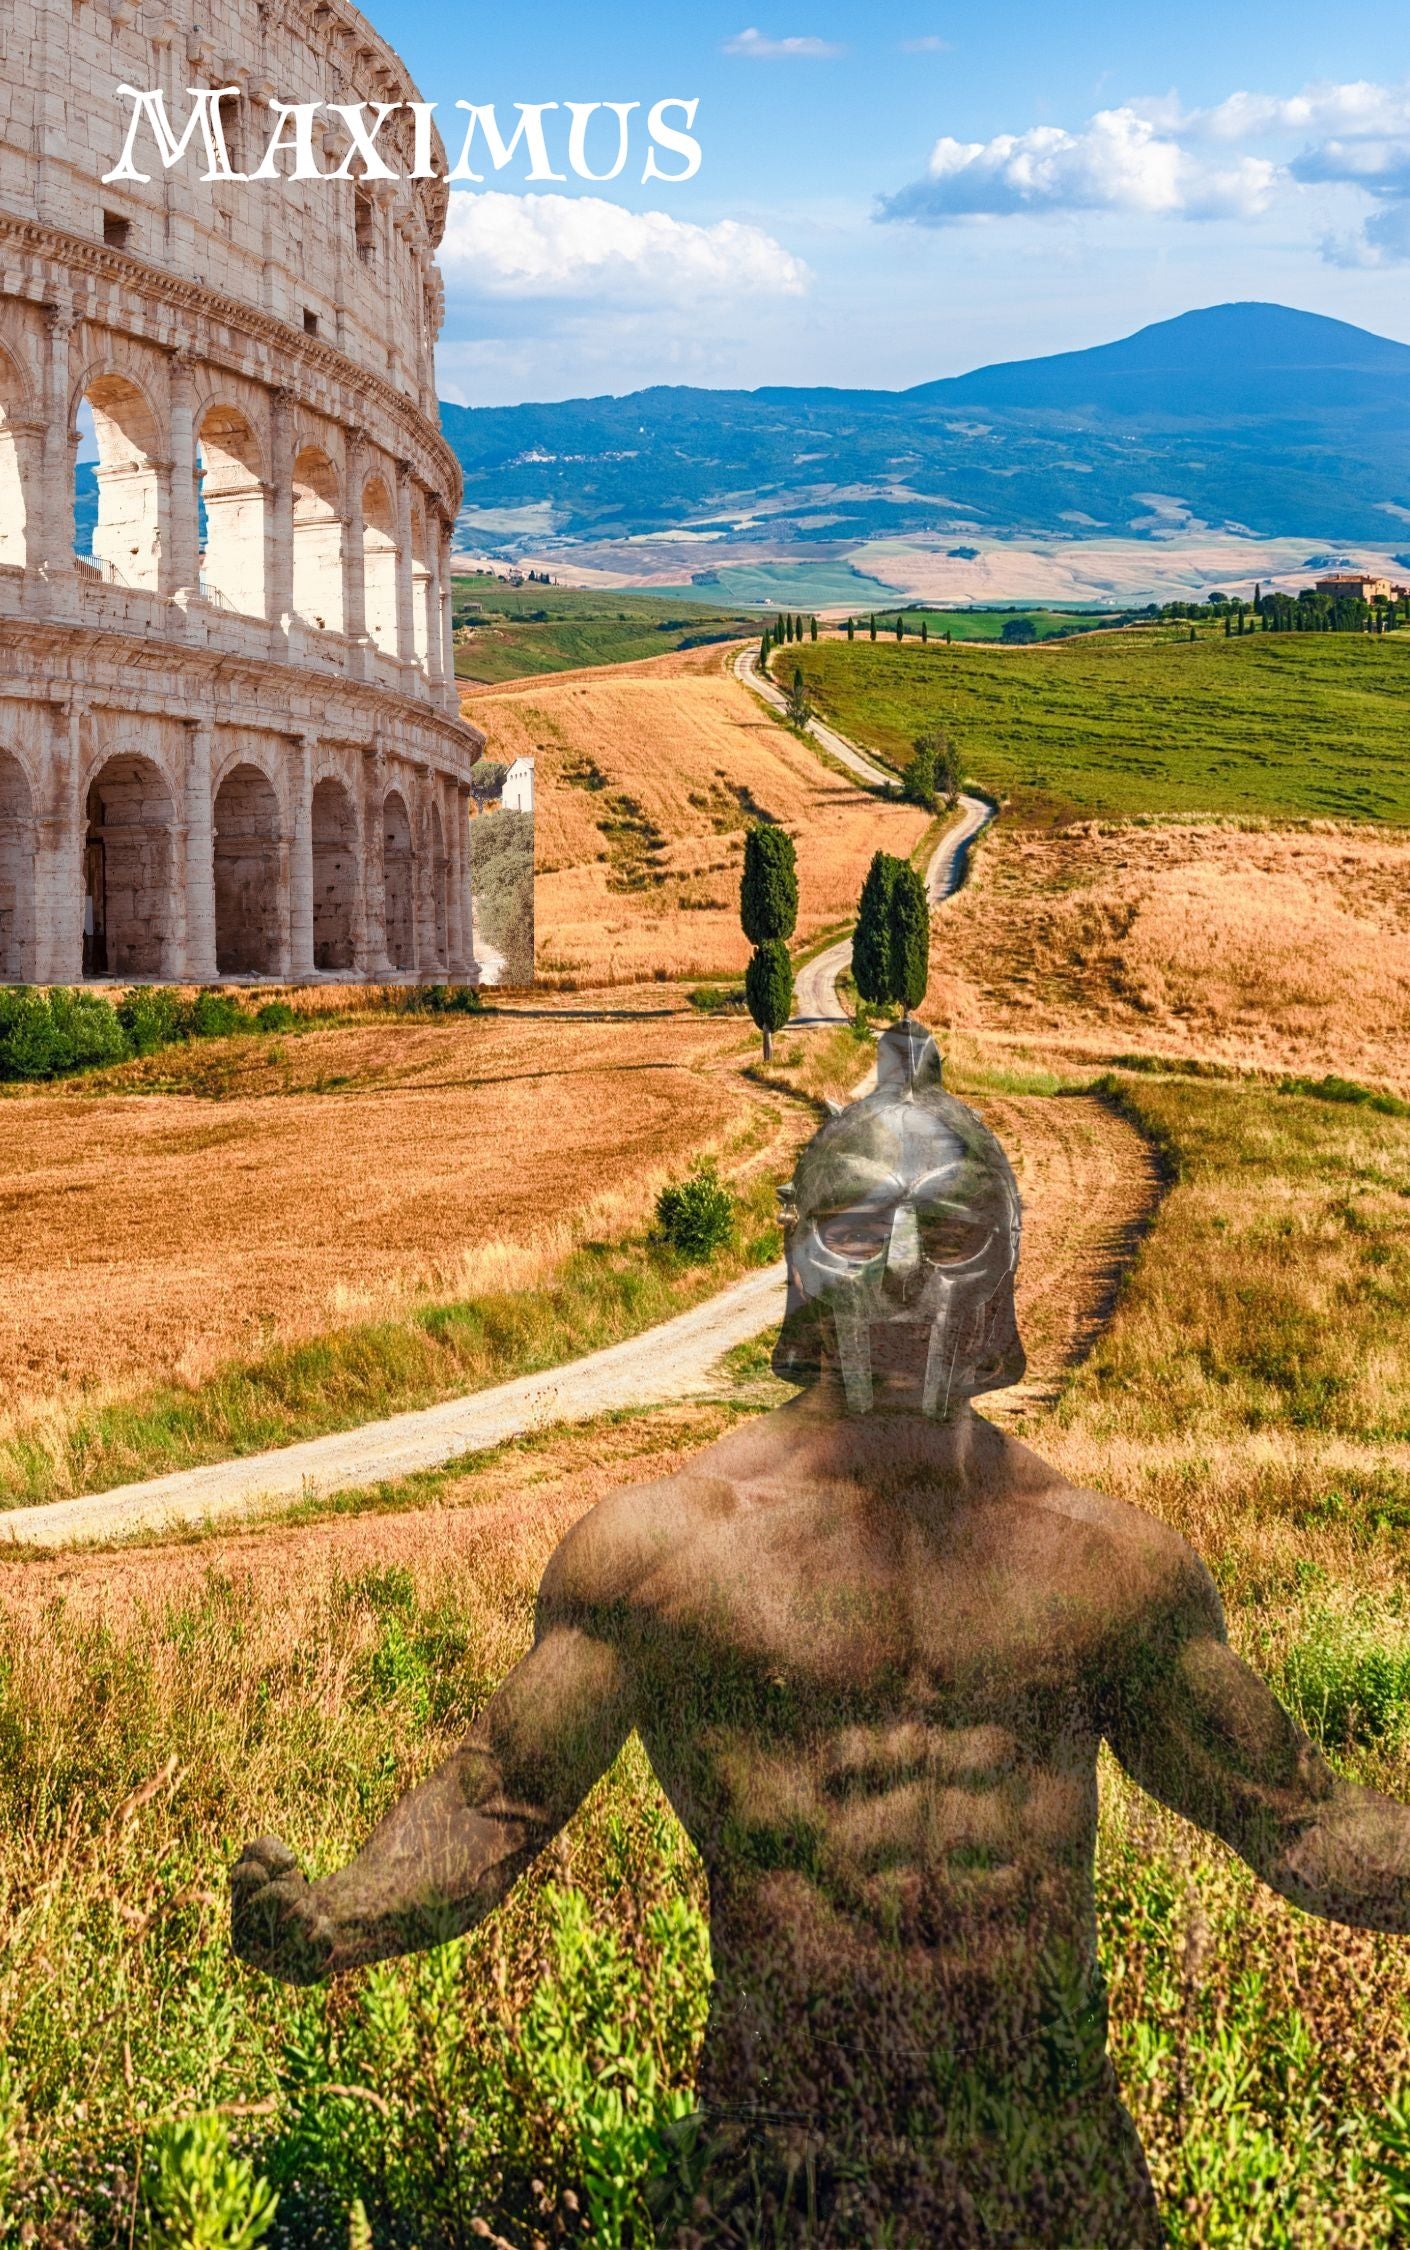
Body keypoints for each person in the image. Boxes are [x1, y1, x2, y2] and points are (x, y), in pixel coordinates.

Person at [232, 1021, 1410, 2245]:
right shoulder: (669, 1553)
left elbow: (1304, 1820)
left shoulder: (1107, 1564)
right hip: (777, 2169)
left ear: (1002, 1264)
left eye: (946, 1234)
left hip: (1051, 2169)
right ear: (803, 1260)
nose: (903, 1269)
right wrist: (339, 1914)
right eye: (859, 1230)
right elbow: (493, 1804)